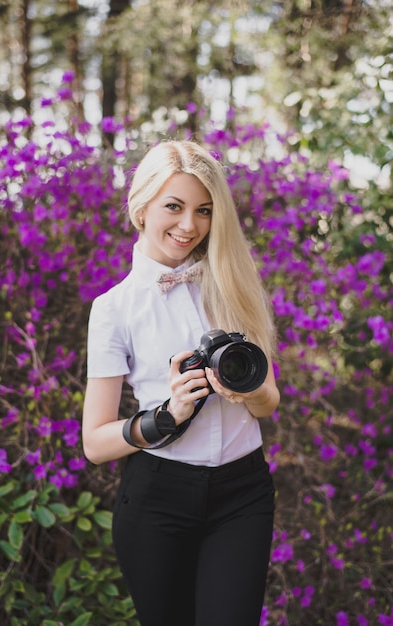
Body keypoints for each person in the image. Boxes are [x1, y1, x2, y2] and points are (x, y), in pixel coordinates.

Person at [82, 140, 280, 626]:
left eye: (204, 211)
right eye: (174, 206)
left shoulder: (234, 284)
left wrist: (247, 390)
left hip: (243, 492)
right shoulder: (113, 310)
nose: (189, 225)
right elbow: (95, 443)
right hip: (157, 500)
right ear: (142, 206)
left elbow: (269, 402)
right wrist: (168, 416)